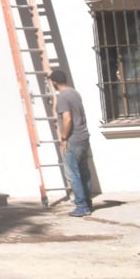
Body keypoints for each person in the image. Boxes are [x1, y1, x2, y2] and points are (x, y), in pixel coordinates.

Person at [49, 67, 93, 217]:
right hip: (83, 137)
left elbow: (67, 118)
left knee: (73, 174)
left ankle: (81, 205)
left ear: (54, 82)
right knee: (84, 172)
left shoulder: (63, 97)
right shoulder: (74, 93)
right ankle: (88, 203)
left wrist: (63, 138)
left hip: (72, 139)